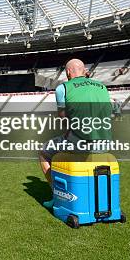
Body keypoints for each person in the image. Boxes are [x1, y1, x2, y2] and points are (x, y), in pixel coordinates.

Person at [39, 58, 112, 208]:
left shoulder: (63, 88)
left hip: (80, 143)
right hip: (105, 142)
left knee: (44, 152)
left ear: (67, 72)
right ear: (85, 71)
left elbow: (64, 118)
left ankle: (57, 195)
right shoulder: (102, 87)